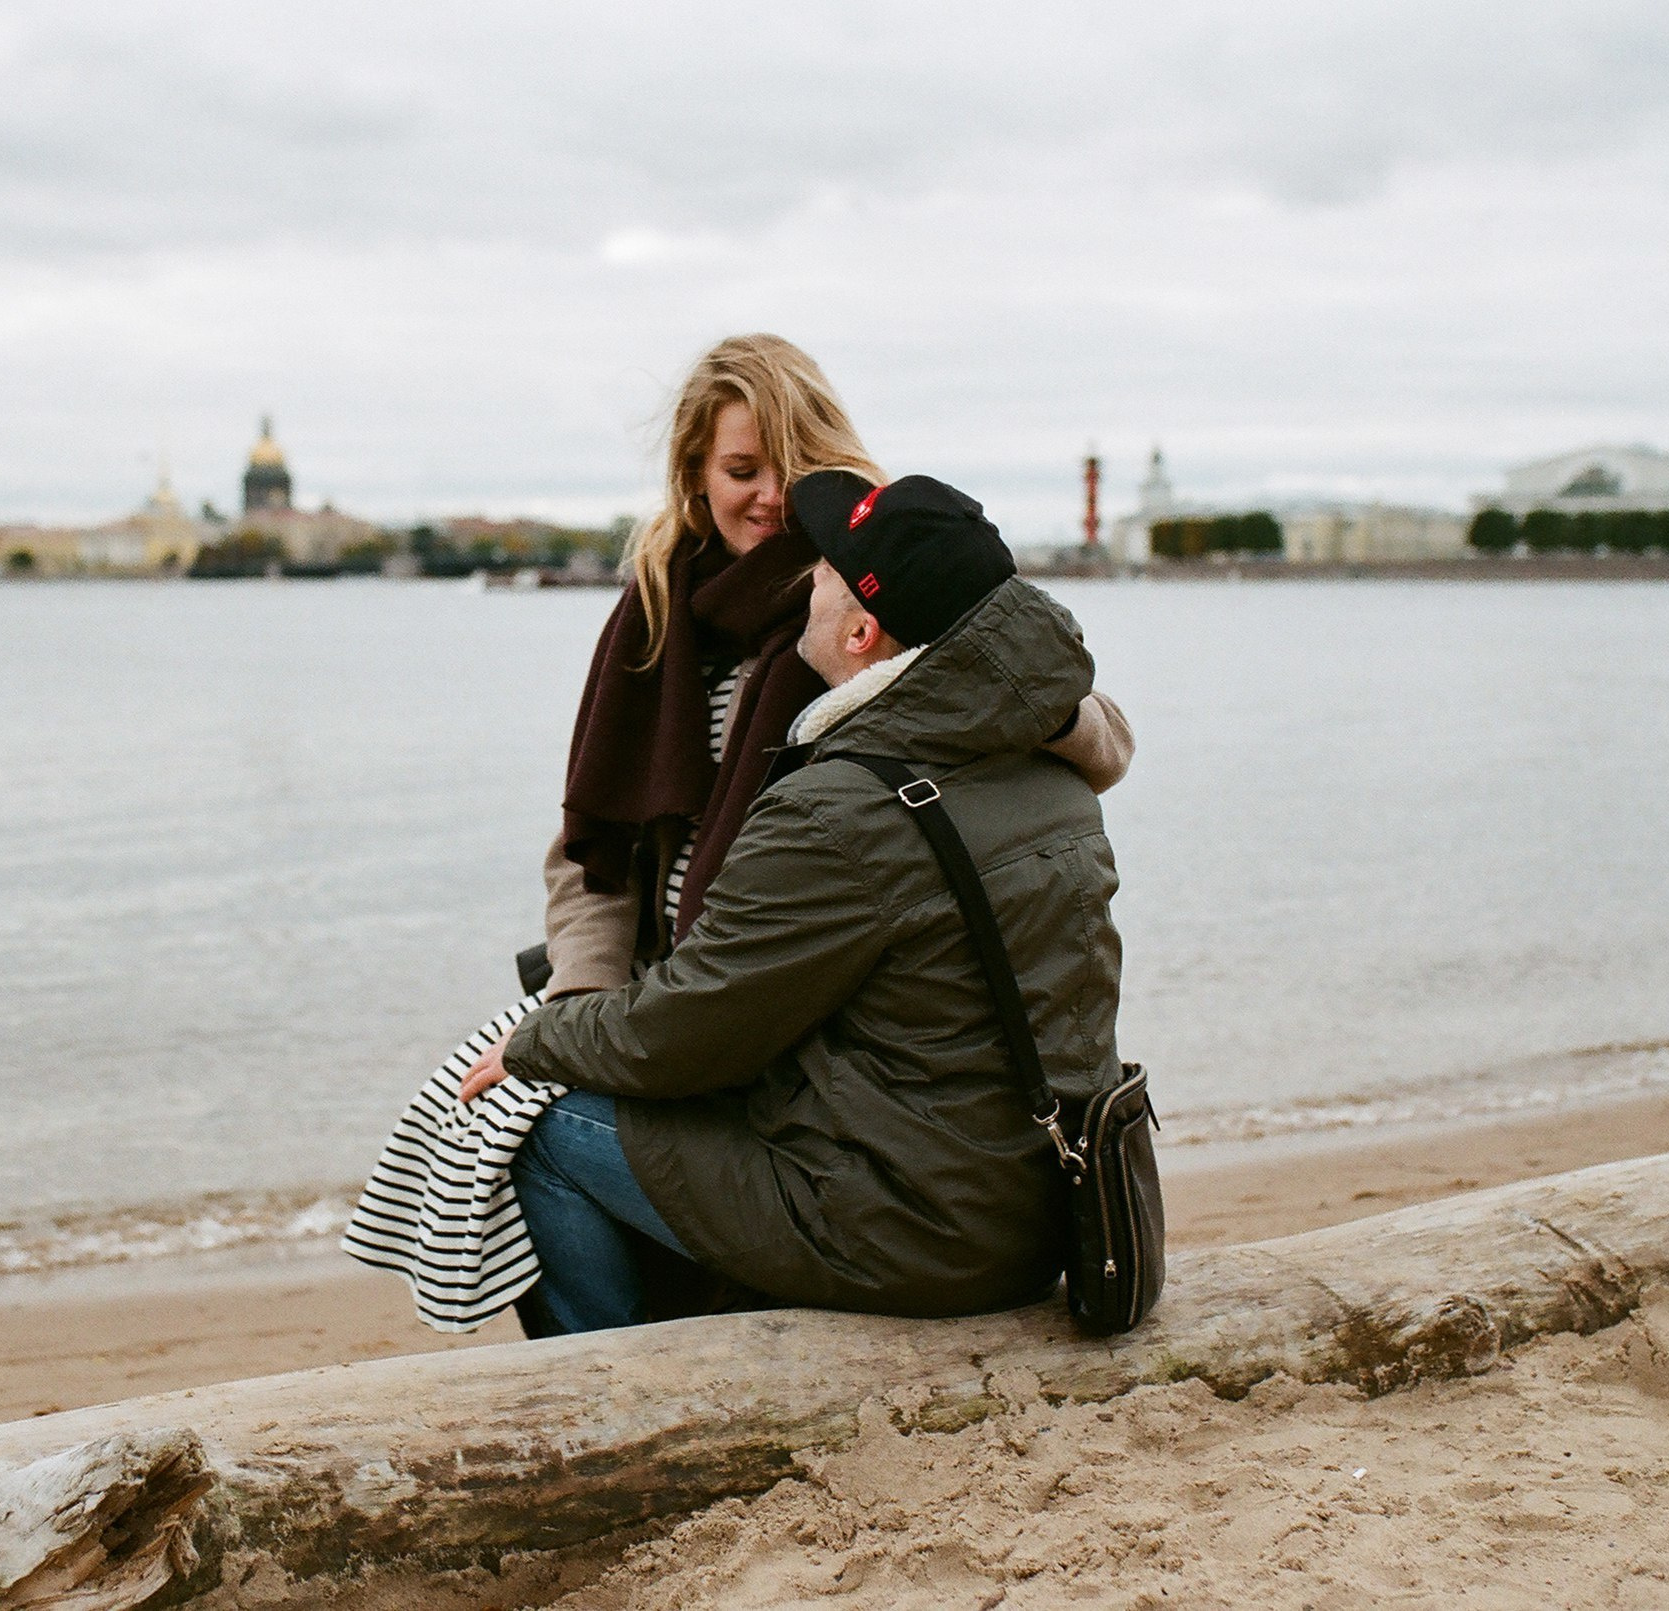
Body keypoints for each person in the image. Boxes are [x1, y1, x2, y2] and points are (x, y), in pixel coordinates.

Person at [341, 335, 1130, 1331]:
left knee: (528, 1119)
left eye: (789, 469)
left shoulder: (882, 594)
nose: (766, 497)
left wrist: (1000, 696)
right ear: (694, 475)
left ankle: (621, 1394)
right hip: (712, 981)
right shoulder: (659, 611)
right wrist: (584, 1002)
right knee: (515, 1092)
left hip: (789, 1011)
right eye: (741, 471)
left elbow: (1072, 725)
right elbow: (596, 842)